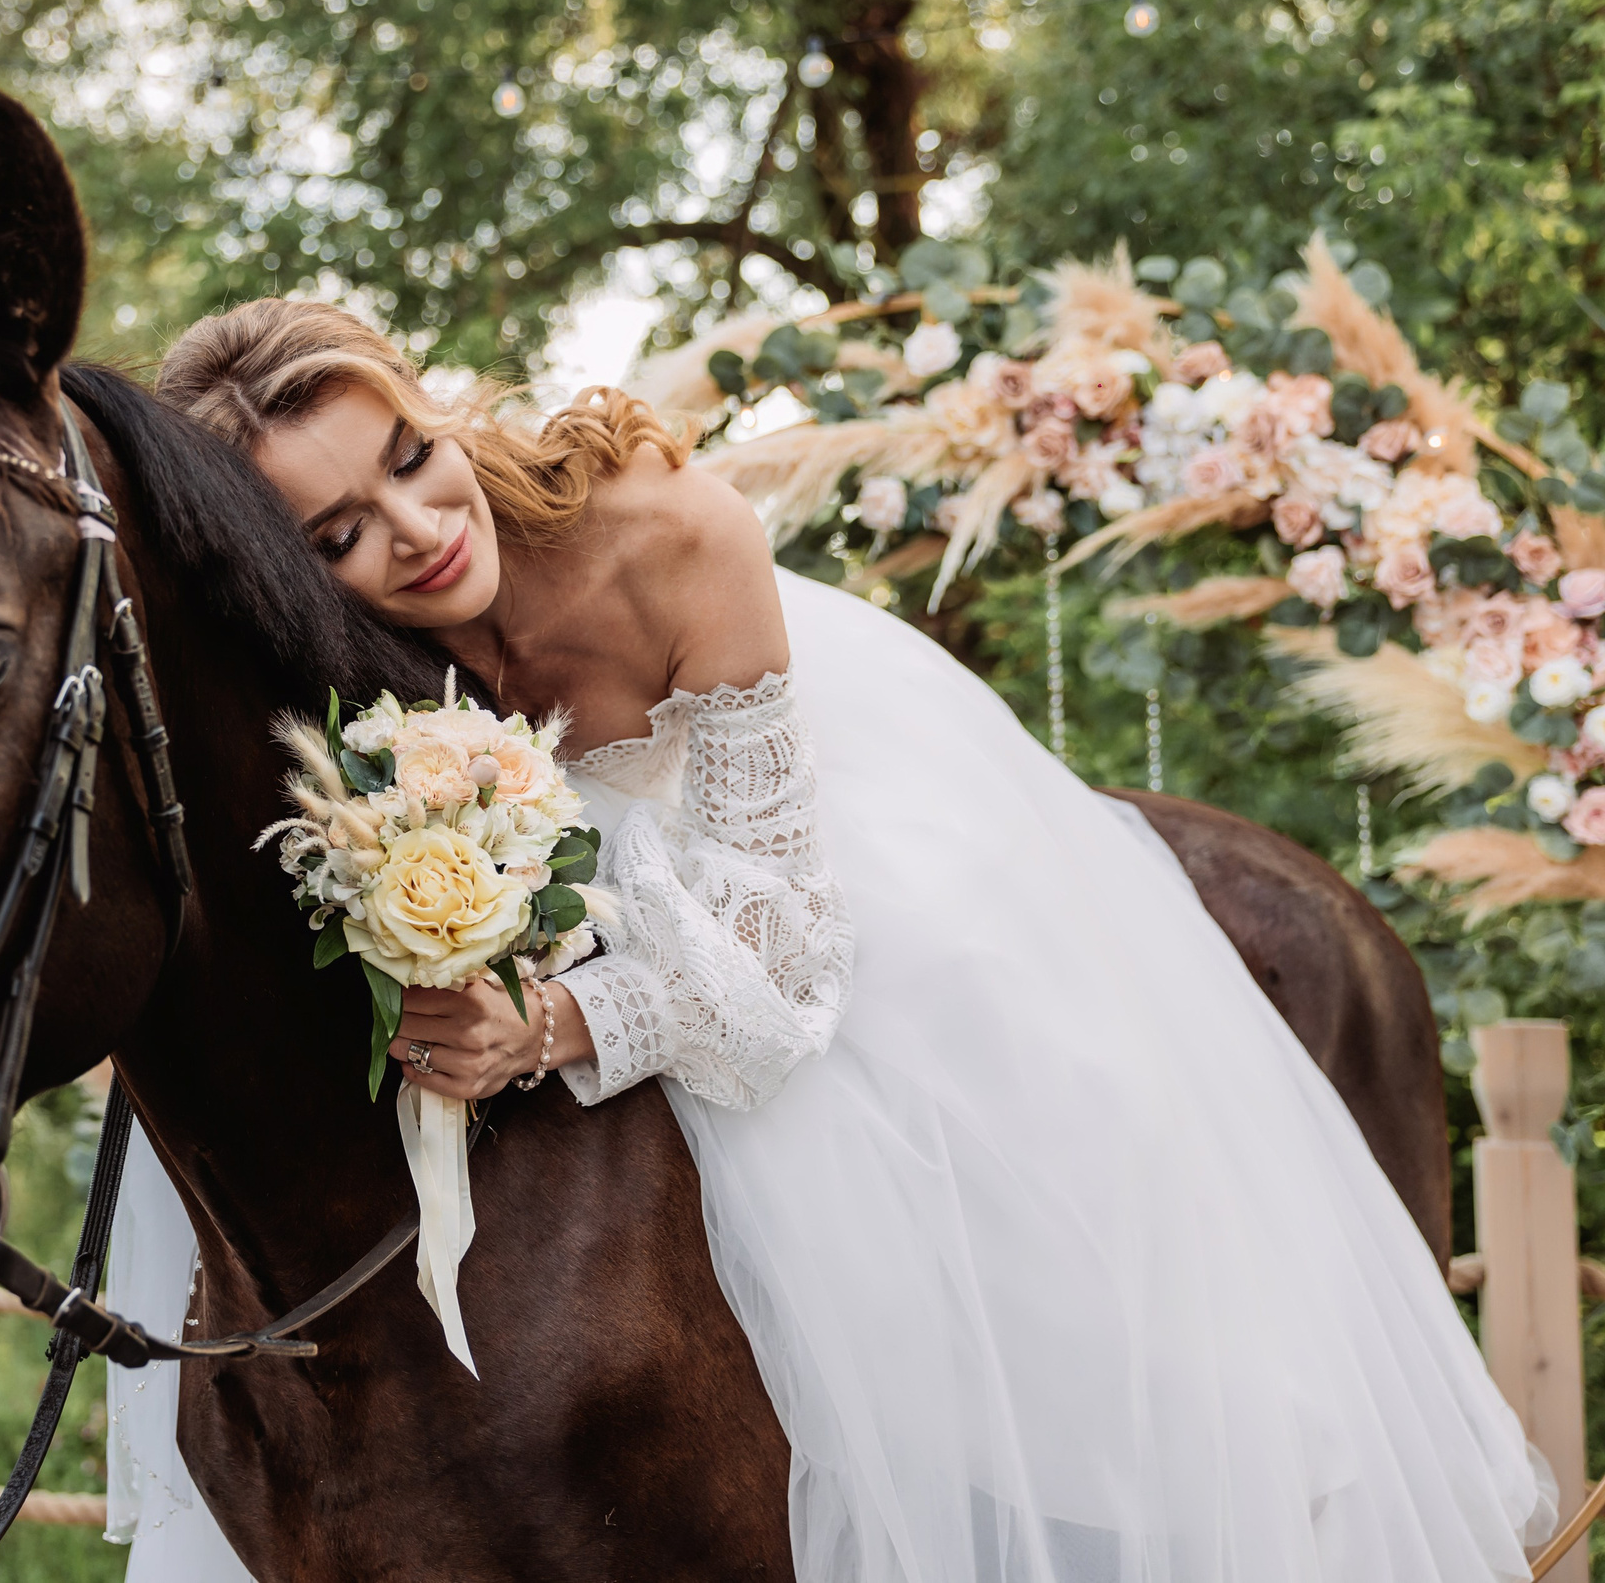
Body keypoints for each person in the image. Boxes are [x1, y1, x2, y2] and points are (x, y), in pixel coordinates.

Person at [101, 297, 1551, 1583]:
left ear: (431, 406)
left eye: (408, 459)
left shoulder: (664, 534)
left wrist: (549, 1027)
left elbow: (782, 949)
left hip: (792, 859)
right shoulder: (323, 661)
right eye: (336, 535)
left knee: (978, 1087)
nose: (415, 535)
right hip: (590, 901)